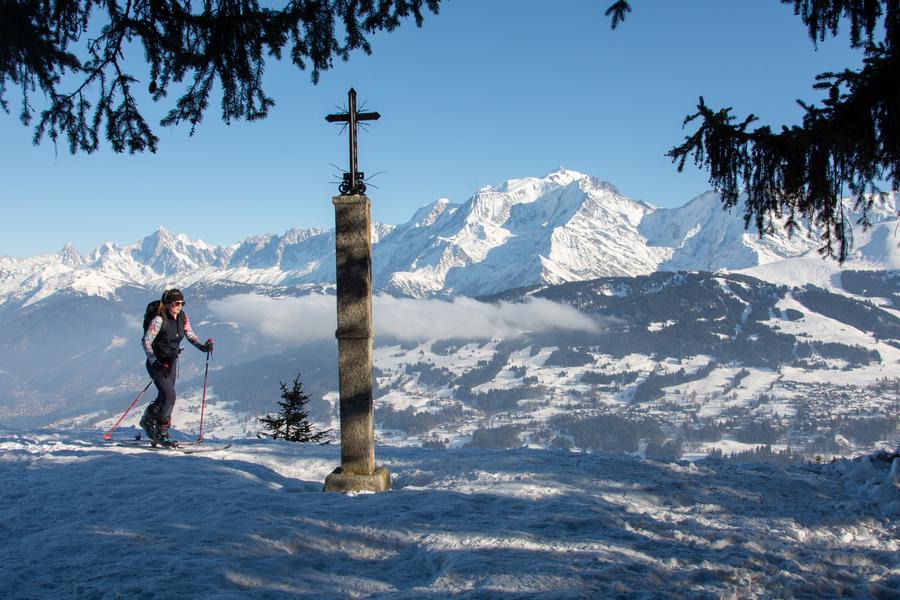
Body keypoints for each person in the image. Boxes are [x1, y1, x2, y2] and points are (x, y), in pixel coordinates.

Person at [139, 289, 213, 447]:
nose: (180, 306)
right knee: (170, 397)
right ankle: (161, 433)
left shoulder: (182, 317)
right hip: (157, 364)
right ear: (168, 304)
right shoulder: (159, 320)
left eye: (182, 303)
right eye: (177, 303)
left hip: (171, 363)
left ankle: (147, 420)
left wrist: (202, 347)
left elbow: (189, 333)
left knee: (165, 396)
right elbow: (146, 341)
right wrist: (154, 361)